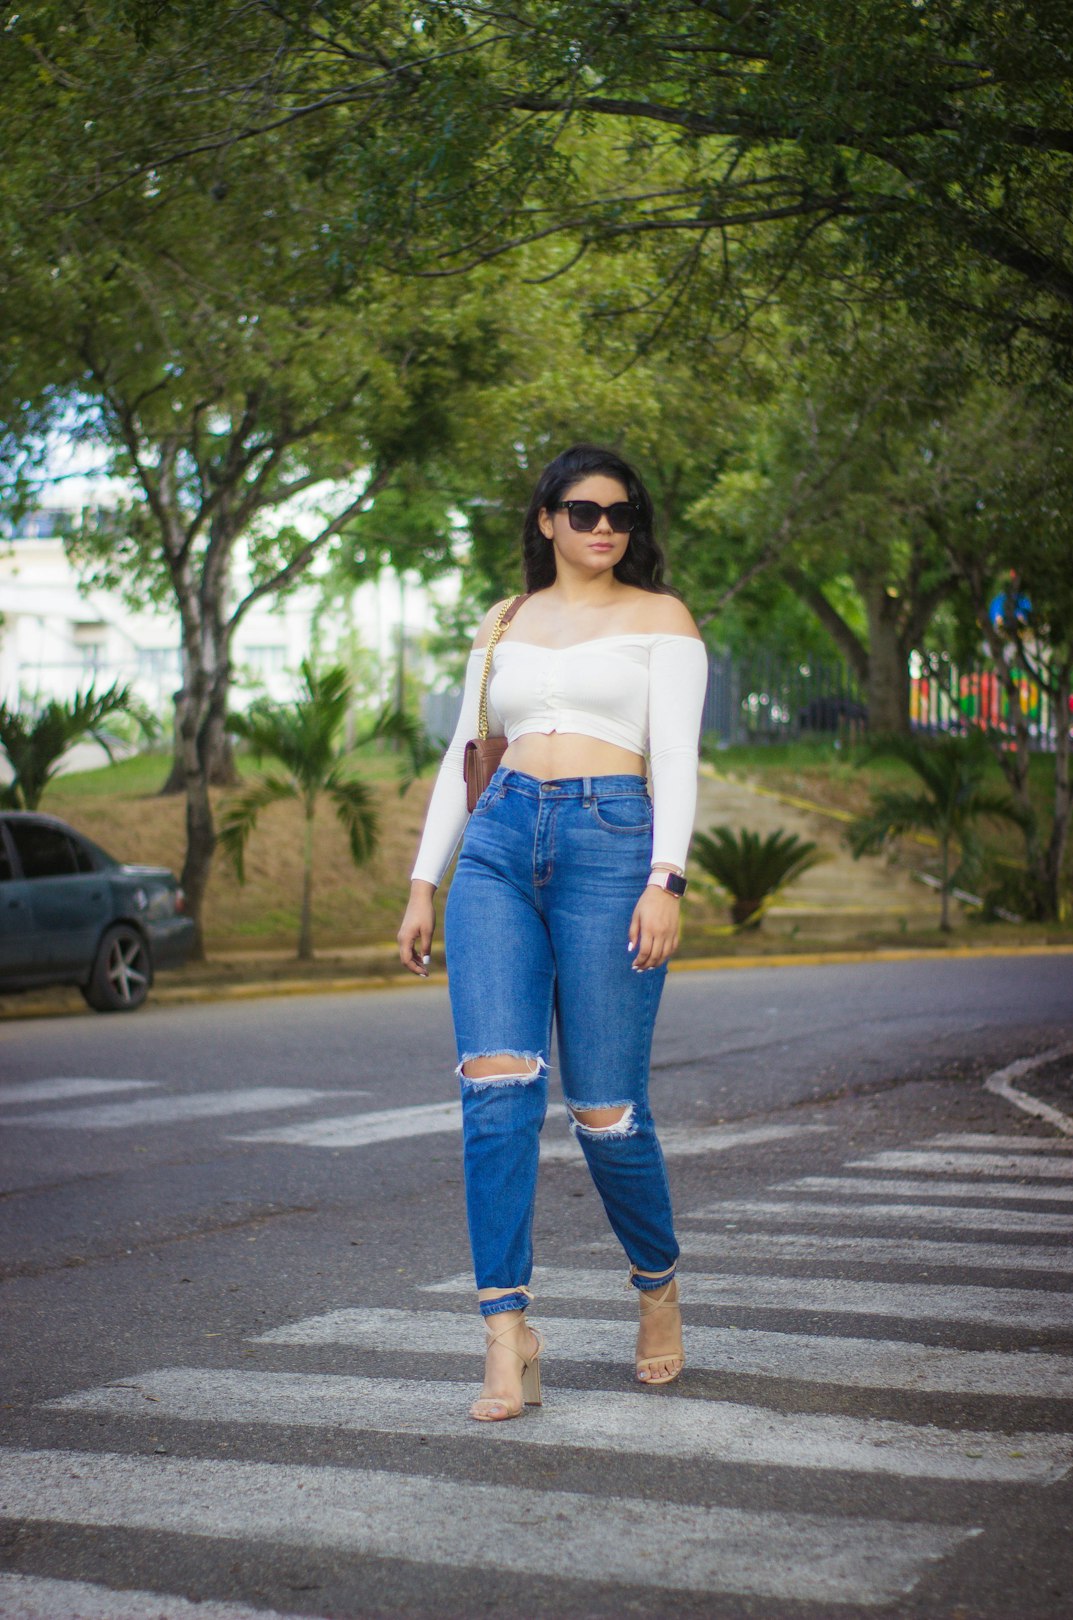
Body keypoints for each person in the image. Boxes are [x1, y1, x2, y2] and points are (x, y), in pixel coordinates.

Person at [397, 443, 708, 1422]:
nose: (604, 526)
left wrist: (668, 878)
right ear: (546, 520)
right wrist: (423, 880)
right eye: (583, 510)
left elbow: (682, 766)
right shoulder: (503, 622)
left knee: (606, 1111)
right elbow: (463, 751)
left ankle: (656, 1287)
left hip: (614, 845)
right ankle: (505, 1334)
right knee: (495, 1090)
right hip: (498, 844)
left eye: (621, 512)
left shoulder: (663, 622)